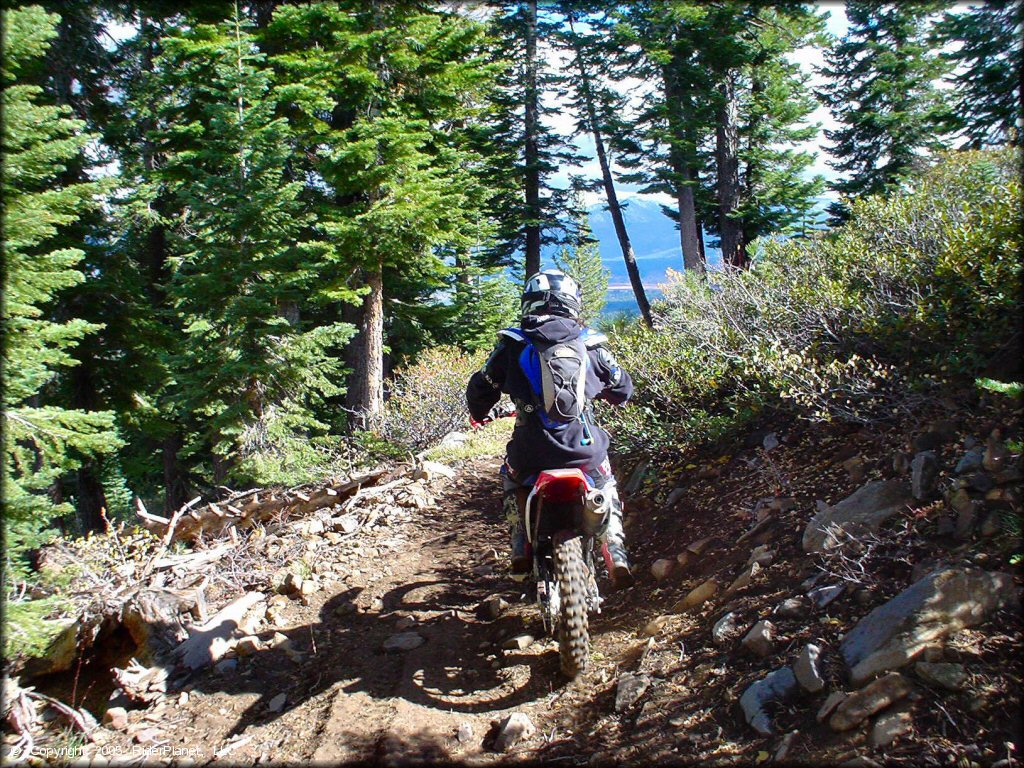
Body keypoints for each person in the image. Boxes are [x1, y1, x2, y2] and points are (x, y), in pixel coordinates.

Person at [466, 269, 635, 588]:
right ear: (572, 303)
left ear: (528, 303)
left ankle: (520, 545)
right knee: (606, 480)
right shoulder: (591, 344)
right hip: (584, 450)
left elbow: (481, 388)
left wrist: (478, 412)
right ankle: (615, 549)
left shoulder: (513, 344)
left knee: (510, 477)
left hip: (530, 453)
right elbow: (623, 388)